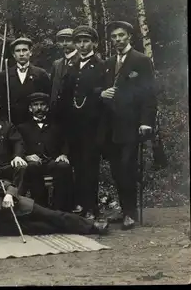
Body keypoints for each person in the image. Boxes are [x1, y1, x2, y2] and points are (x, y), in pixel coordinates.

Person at [0, 157, 109, 238]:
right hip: (1, 224)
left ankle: (92, 226)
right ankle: (73, 229)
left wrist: (9, 195)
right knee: (44, 228)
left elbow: (7, 184)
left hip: (16, 206)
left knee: (52, 215)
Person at [99, 20, 157, 230]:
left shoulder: (141, 60)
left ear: (129, 37)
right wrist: (101, 93)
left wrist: (145, 122)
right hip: (111, 127)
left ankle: (130, 213)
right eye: (114, 37)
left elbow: (149, 95)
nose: (117, 40)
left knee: (127, 167)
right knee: (116, 170)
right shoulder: (108, 62)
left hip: (131, 125)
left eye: (121, 36)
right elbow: (101, 88)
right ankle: (124, 210)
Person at [56, 26, 106, 219]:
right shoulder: (72, 66)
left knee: (90, 168)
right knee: (77, 166)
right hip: (74, 127)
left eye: (86, 41)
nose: (83, 45)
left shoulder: (101, 65)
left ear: (94, 43)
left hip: (92, 127)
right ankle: (80, 204)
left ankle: (91, 207)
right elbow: (66, 96)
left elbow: (103, 96)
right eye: (79, 41)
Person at [17, 93, 74, 212]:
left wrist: (63, 154)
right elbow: (18, 146)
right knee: (32, 168)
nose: (39, 108)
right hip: (34, 163)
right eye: (35, 105)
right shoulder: (22, 128)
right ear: (30, 108)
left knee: (64, 167)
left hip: (52, 161)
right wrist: (26, 157)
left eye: (42, 105)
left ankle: (60, 208)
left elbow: (65, 143)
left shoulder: (56, 126)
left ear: (47, 108)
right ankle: (40, 207)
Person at [0, 37, 51, 126]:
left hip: (34, 123)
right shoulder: (5, 75)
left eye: (24, 50)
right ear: (14, 54)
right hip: (12, 123)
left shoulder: (41, 74)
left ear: (30, 52)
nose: (21, 54)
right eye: (18, 51)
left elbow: (47, 100)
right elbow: (1, 102)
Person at [49, 28, 80, 122]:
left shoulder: (81, 61)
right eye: (62, 41)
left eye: (68, 40)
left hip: (75, 113)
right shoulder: (57, 64)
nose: (65, 43)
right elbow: (52, 87)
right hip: (57, 113)